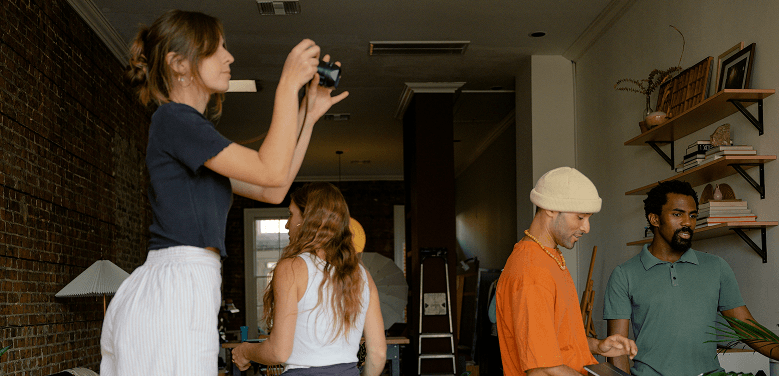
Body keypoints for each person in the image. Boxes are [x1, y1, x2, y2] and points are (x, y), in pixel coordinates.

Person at [100, 10, 348, 376]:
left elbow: (273, 187)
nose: (229, 56)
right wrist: (285, 86)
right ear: (179, 63)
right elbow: (271, 168)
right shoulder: (174, 119)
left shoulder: (193, 134)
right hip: (174, 289)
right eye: (217, 48)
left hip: (189, 284)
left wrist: (307, 115)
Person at [604, 180, 779, 376]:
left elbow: (747, 328)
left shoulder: (716, 267)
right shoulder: (624, 274)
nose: (687, 222)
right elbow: (617, 348)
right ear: (654, 219)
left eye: (693, 215)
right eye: (677, 214)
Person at [231, 182, 387, 375]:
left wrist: (245, 351)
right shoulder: (361, 274)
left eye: (291, 214)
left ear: (309, 219)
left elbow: (278, 352)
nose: (288, 223)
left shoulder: (292, 267)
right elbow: (378, 354)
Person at [496, 166, 638, 376]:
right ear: (550, 209)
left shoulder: (549, 256)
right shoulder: (532, 271)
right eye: (580, 218)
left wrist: (597, 346)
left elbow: (554, 342)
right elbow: (542, 369)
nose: (586, 228)